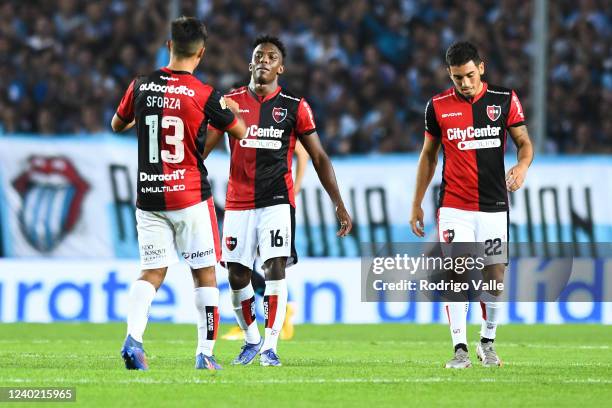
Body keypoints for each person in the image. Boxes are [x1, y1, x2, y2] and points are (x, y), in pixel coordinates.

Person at [205, 35, 352, 367]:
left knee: (275, 267)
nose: (264, 60)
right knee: (237, 276)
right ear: (250, 64)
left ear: (281, 67)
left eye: (271, 57)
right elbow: (205, 148)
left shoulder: (295, 106)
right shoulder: (229, 103)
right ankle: (252, 338)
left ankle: (271, 346)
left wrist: (338, 203)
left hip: (277, 201)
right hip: (238, 202)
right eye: (258, 56)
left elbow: (318, 156)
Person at [111, 16, 246, 371]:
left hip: (149, 196)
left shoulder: (140, 85)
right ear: (201, 52)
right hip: (189, 196)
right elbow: (241, 131)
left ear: (169, 45)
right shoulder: (205, 95)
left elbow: (117, 124)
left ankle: (133, 338)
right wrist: (228, 112)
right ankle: (205, 354)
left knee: (152, 271)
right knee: (204, 273)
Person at [410, 41, 533, 368]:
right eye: (456, 78)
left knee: (494, 276)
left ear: (481, 67)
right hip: (454, 205)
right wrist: (417, 203)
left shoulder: (504, 100)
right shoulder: (437, 106)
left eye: (468, 75)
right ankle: (460, 349)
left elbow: (525, 144)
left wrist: (521, 167)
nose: (463, 83)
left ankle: (487, 342)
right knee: (458, 270)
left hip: (493, 205)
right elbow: (428, 156)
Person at [221, 140, 309, 341]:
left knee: (268, 263)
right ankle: (275, 313)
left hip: (271, 202)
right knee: (241, 266)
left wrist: (296, 186)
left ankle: (274, 317)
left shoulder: (258, 119)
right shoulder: (230, 122)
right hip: (244, 199)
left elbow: (303, 152)